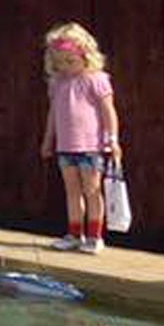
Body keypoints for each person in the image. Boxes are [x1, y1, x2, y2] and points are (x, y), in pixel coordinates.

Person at [37, 23, 121, 254]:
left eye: (70, 62)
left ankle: (95, 236)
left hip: (91, 147)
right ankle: (74, 233)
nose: (65, 67)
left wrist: (112, 139)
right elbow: (53, 114)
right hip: (66, 147)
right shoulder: (57, 83)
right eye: (59, 63)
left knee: (92, 191)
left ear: (85, 56)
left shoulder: (96, 79)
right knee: (72, 191)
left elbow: (108, 111)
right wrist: (47, 140)